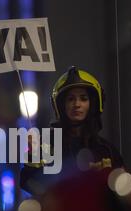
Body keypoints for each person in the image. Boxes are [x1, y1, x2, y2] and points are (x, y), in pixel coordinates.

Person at [20, 66, 124, 196]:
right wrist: (33, 158)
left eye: (83, 98)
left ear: (93, 103)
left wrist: (105, 177)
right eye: (70, 99)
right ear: (61, 106)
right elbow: (28, 182)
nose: (77, 104)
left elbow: (123, 191)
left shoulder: (106, 150)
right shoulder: (46, 144)